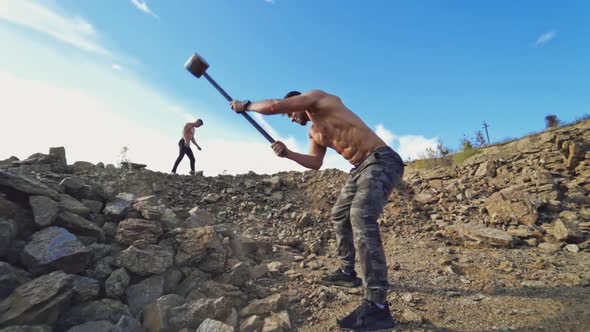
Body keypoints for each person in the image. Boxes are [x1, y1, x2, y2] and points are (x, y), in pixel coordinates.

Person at [231, 90, 404, 331]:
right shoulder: (314, 132)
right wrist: (288, 154)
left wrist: (246, 105)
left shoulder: (319, 99)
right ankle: (347, 271)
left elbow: (274, 106)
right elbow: (315, 163)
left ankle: (378, 307)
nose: (291, 118)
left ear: (298, 102)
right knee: (340, 214)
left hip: (381, 160)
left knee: (360, 215)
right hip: (360, 169)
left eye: (291, 112)